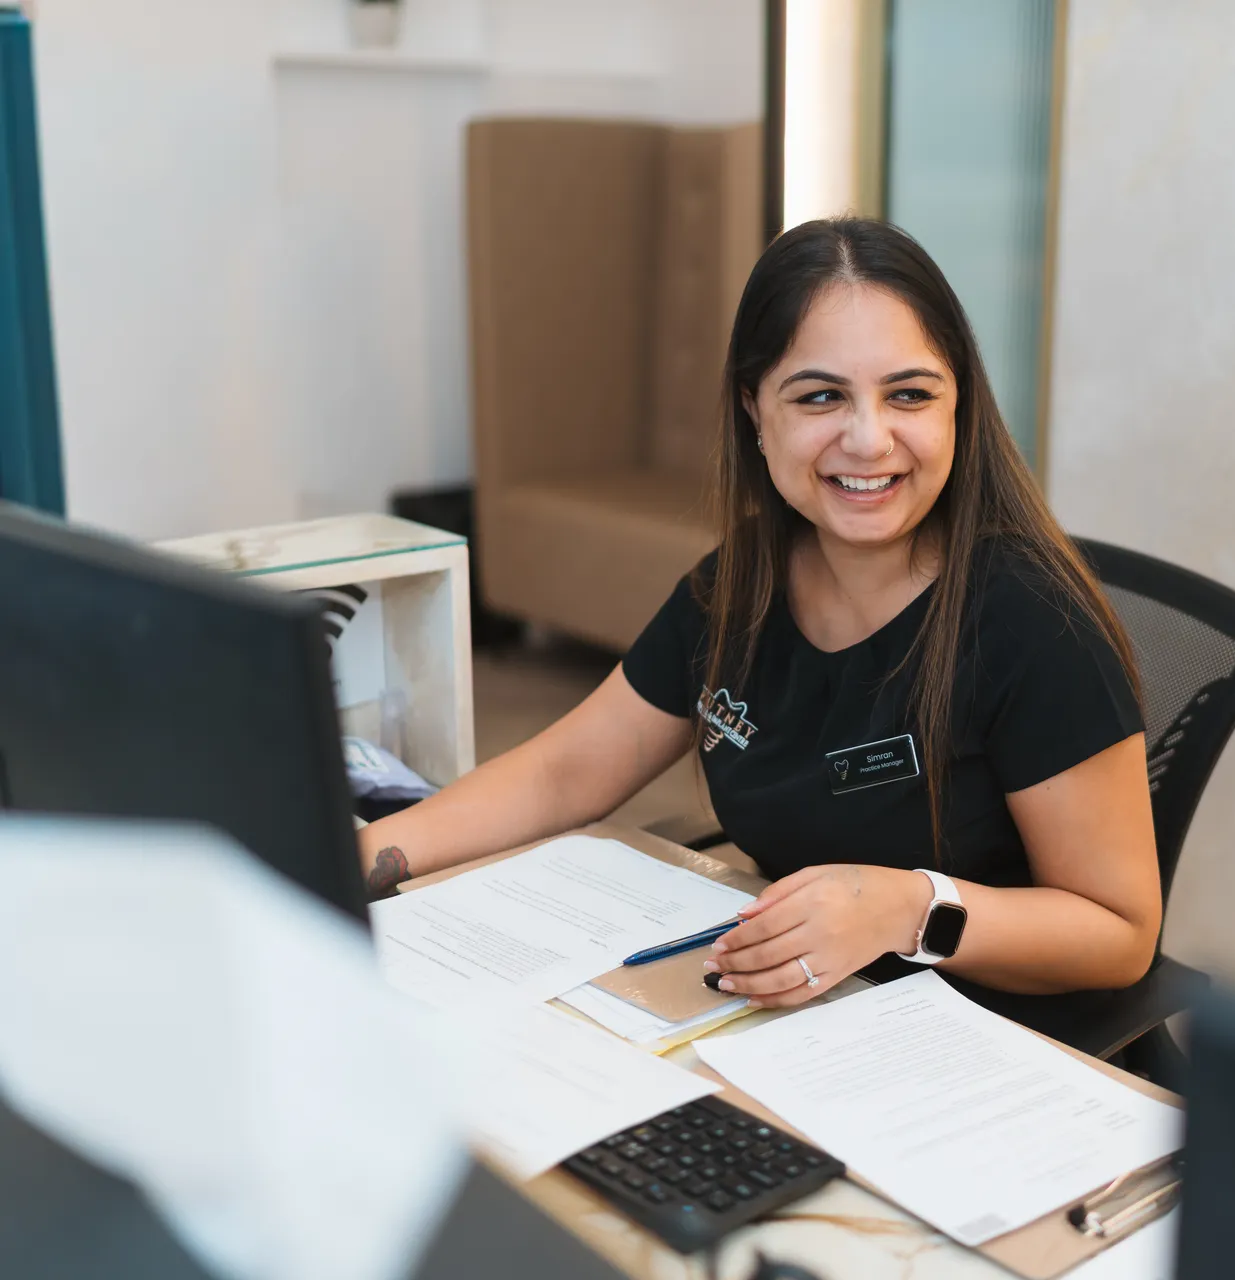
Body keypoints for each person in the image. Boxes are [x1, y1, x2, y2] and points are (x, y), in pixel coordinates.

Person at [358, 217, 1160, 1010]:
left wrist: (908, 907)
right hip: (789, 1006)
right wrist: (357, 855)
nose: (870, 439)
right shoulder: (739, 584)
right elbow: (565, 771)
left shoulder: (1035, 624)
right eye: (820, 397)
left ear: (960, 407)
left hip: (983, 1040)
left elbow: (1120, 933)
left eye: (909, 395)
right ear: (755, 411)